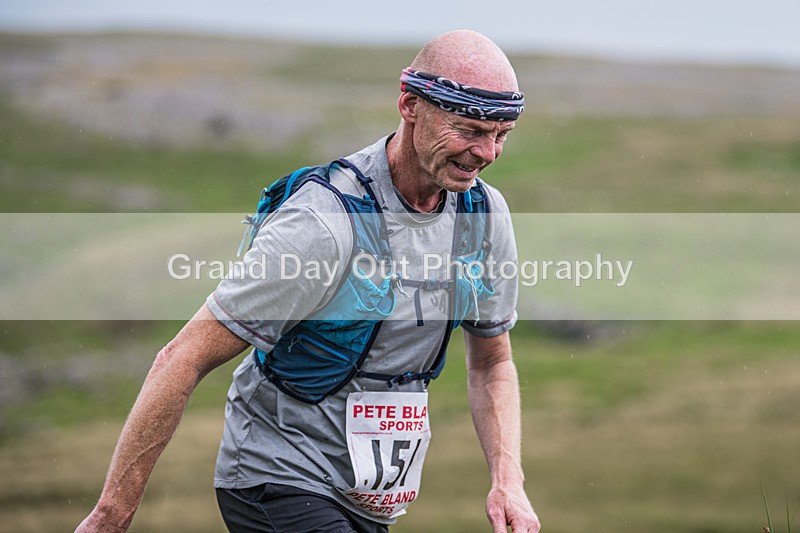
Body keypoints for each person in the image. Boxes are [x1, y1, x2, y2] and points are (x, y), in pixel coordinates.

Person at [76, 30, 540, 533]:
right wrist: (110, 515)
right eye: (470, 129)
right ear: (409, 105)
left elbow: (492, 363)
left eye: (501, 134)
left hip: (369, 500)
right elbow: (182, 357)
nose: (488, 152)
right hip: (278, 476)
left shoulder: (484, 213)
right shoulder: (323, 222)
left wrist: (507, 481)